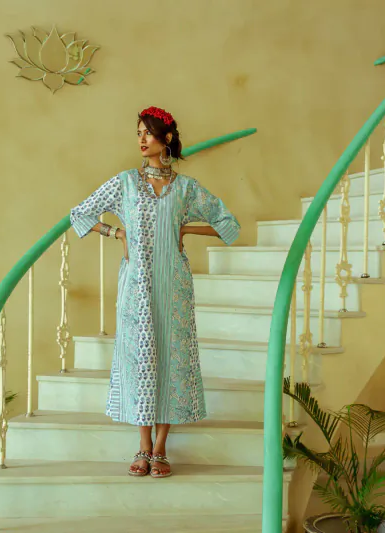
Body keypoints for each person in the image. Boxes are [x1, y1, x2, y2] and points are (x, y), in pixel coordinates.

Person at [70, 106, 240, 478]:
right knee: (140, 359)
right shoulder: (126, 183)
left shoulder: (187, 189)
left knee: (172, 360)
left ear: (165, 139)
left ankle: (161, 448)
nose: (141, 139)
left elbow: (229, 224)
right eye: (138, 133)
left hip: (175, 286)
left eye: (148, 132)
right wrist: (118, 233)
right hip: (136, 287)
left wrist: (187, 230)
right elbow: (80, 213)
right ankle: (143, 445)